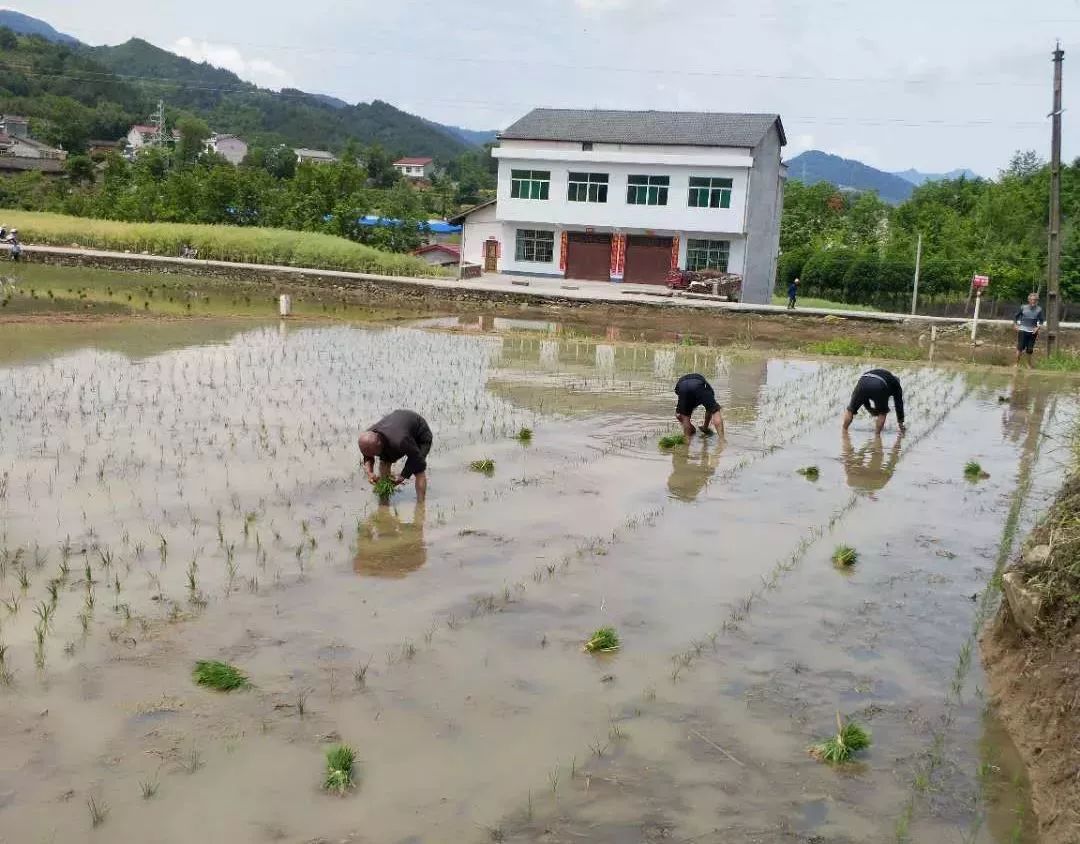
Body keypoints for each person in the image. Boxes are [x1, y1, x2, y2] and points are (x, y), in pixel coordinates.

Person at [358, 409, 432, 500]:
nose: (373, 456)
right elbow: (367, 456)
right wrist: (369, 472)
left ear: (380, 444)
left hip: (420, 433)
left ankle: (421, 504)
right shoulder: (368, 437)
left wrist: (402, 476)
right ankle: (384, 498)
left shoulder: (400, 440)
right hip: (397, 428)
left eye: (374, 454)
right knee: (384, 461)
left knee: (418, 469)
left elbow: (416, 457)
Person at [842, 368, 906, 435]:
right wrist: (900, 423)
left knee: (850, 410)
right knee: (882, 413)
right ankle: (877, 437)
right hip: (879, 384)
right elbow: (899, 405)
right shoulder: (896, 386)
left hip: (862, 382)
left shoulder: (885, 375)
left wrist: (869, 409)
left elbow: (864, 396)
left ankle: (844, 431)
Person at [674, 373, 724, 438]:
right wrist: (705, 427)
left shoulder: (683, 392)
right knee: (715, 411)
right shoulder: (708, 390)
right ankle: (722, 440)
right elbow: (710, 411)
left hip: (682, 386)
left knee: (685, 417)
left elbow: (678, 415)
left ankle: (687, 442)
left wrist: (690, 426)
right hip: (698, 384)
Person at [1014, 292, 1045, 367]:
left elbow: (1041, 321)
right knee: (1020, 348)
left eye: (1035, 300)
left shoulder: (1039, 309)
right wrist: (1015, 325)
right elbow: (1016, 316)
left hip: (1033, 332)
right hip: (1023, 330)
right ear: (1029, 300)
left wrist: (1037, 328)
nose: (1033, 301)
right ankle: (1016, 364)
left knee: (1030, 349)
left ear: (1037, 301)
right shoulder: (1023, 307)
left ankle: (1028, 364)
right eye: (1032, 300)